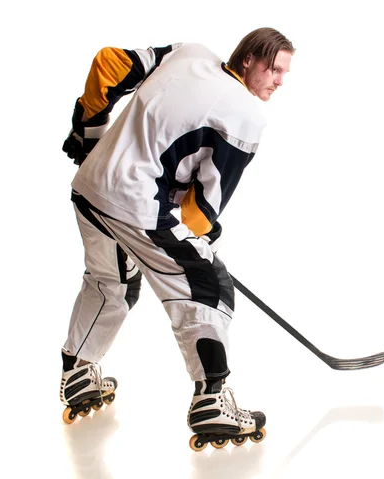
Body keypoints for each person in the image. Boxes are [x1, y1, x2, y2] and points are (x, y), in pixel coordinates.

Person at [58, 27, 295, 448]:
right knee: (207, 284)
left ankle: (77, 373)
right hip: (136, 205)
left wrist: (89, 137)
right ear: (248, 60)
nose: (279, 80)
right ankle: (211, 400)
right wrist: (199, 241)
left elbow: (109, 64)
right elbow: (201, 211)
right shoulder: (246, 116)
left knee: (110, 281)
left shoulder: (189, 52)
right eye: (273, 69)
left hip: (90, 187)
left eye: (283, 73)